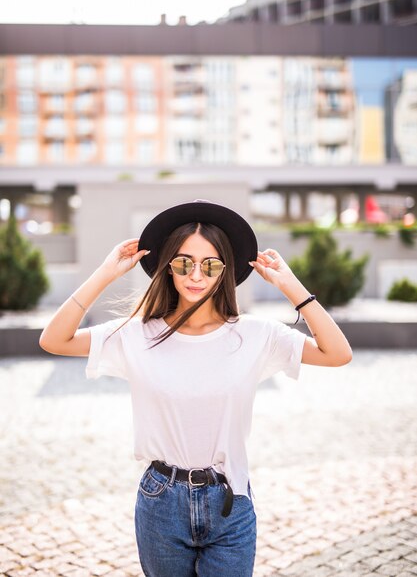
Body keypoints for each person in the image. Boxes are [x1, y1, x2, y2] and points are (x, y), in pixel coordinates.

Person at [39, 199, 352, 577]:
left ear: (225, 271)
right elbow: (54, 340)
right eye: (184, 262)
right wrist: (105, 274)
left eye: (211, 264)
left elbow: (338, 353)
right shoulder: (137, 334)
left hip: (229, 500)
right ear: (169, 267)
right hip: (160, 501)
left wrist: (291, 286)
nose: (196, 275)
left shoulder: (255, 334)